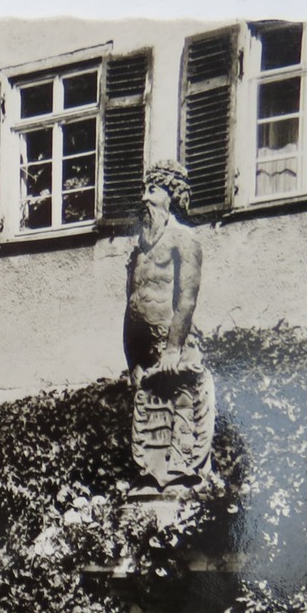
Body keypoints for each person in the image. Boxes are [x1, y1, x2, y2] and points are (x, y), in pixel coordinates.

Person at [124, 160, 214, 491]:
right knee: (150, 419)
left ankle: (180, 472)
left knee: (182, 409)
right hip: (146, 356)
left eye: (153, 191)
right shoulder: (138, 251)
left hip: (173, 350)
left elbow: (186, 298)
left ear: (171, 197)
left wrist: (173, 349)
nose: (144, 199)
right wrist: (130, 359)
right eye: (144, 191)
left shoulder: (184, 239)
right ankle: (151, 476)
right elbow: (131, 304)